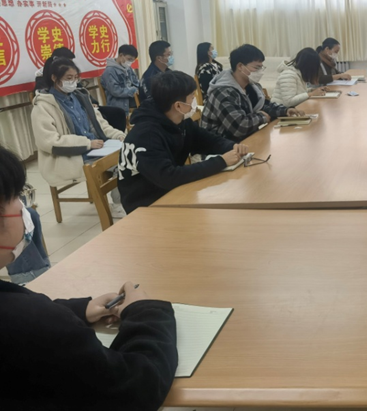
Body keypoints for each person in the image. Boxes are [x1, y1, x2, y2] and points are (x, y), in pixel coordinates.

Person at [0, 147, 178, 410]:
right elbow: (138, 388)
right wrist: (145, 312)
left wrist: (78, 310)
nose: (24, 207)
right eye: (17, 196)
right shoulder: (33, 325)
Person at [118, 71, 249, 212]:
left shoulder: (180, 120)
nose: (194, 101)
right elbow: (168, 177)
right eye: (192, 97)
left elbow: (207, 141)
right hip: (146, 205)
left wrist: (232, 147)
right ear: (178, 106)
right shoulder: (146, 135)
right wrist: (221, 161)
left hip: (171, 191)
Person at [31, 59, 126, 188]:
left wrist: (118, 135)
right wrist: (87, 144)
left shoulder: (80, 97)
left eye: (76, 78)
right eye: (69, 78)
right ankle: (119, 196)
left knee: (130, 156)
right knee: (122, 165)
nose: (73, 82)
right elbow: (49, 142)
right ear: (54, 78)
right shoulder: (43, 107)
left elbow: (100, 124)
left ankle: (122, 195)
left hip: (96, 149)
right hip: (71, 156)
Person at [202, 44, 299, 142]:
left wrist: (285, 110)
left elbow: (263, 106)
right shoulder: (223, 92)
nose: (260, 72)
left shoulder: (251, 86)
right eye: (256, 67)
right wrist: (262, 117)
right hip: (221, 145)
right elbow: (239, 127)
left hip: (243, 142)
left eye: (261, 67)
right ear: (240, 66)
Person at [37, 47, 128, 131]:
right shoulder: (44, 81)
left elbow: (82, 92)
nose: (70, 65)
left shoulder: (73, 77)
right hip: (63, 107)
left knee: (117, 113)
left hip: (80, 104)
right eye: (69, 78)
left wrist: (92, 103)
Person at [101, 44, 141, 113]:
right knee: (146, 103)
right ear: (121, 55)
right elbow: (116, 91)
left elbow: (135, 82)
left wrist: (139, 88)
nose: (130, 62)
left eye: (132, 60)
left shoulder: (128, 68)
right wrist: (133, 91)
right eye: (129, 59)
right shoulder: (109, 71)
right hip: (119, 102)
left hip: (131, 98)